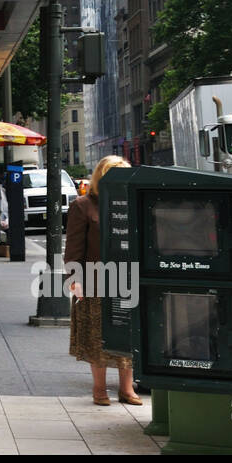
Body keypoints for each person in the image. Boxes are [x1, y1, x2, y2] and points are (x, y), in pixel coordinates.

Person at [64, 154, 136, 406]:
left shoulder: (132, 202)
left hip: (128, 279)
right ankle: (99, 389)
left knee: (128, 333)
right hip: (95, 282)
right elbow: (73, 248)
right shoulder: (82, 206)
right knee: (98, 336)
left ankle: (127, 389)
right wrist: (74, 280)